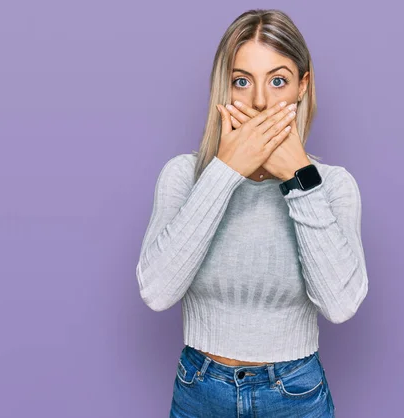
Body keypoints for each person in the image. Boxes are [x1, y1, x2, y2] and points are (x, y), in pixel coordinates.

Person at [135, 8, 369, 418]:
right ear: (224, 90)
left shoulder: (332, 186)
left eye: (278, 81)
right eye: (242, 81)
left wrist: (300, 180)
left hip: (294, 394)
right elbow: (156, 292)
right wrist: (225, 171)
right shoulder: (183, 176)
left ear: (302, 87)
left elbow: (340, 305)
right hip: (199, 391)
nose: (260, 101)